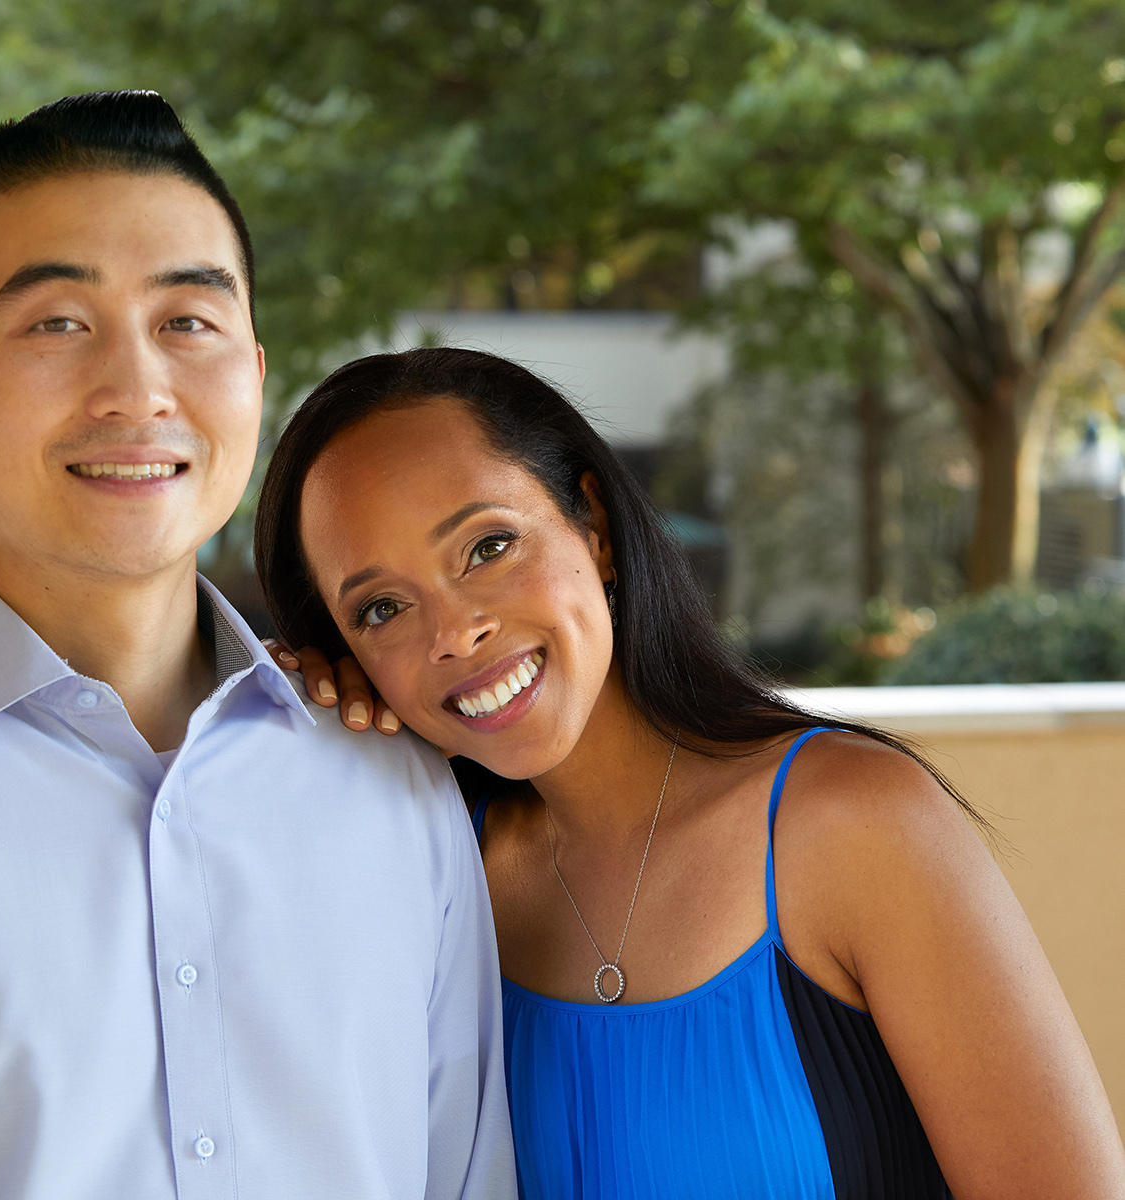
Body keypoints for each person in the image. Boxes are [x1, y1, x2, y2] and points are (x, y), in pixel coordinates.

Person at [0, 94, 516, 1200]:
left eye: (187, 323)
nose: (137, 390)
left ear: (253, 372)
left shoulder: (390, 773)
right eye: (56, 322)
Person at [255, 346, 1125, 1200]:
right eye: (382, 609)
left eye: (487, 548)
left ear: (592, 526)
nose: (452, 632)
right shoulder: (432, 874)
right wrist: (297, 728)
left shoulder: (852, 823)